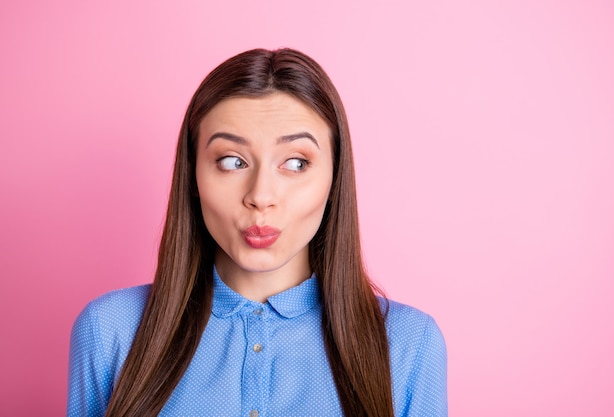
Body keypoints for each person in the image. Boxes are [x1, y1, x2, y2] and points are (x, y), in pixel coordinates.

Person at [67, 48, 447, 417]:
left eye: (296, 163)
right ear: (193, 175)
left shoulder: (410, 344)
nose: (260, 197)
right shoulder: (110, 331)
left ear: (335, 179)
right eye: (232, 161)